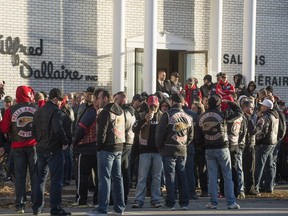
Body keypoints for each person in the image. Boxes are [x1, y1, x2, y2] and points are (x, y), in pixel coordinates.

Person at [32, 88, 71, 216]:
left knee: (40, 180)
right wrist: (65, 142)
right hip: (54, 150)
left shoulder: (39, 111)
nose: (61, 103)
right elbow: (58, 130)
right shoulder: (56, 112)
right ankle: (56, 209)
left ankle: (37, 208)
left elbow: (34, 130)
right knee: (56, 181)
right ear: (55, 99)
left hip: (41, 149)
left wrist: (39, 141)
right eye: (60, 100)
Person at [198, 94, 241, 209]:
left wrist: (203, 145)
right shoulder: (223, 114)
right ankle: (231, 202)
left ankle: (213, 202)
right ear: (218, 104)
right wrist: (231, 103)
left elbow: (198, 136)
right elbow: (239, 112)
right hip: (222, 147)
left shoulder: (202, 116)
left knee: (212, 177)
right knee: (227, 176)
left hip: (209, 149)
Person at [87, 89, 126, 215]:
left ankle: (102, 208)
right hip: (118, 147)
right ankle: (119, 207)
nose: (97, 101)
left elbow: (101, 133)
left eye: (99, 98)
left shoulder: (105, 112)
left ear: (105, 99)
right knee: (117, 178)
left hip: (107, 149)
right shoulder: (120, 111)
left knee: (104, 179)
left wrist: (99, 147)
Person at [1, 86, 38, 214]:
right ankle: (36, 205)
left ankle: (20, 206)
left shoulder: (10, 110)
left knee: (20, 178)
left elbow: (4, 128)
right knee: (35, 176)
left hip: (17, 147)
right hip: (34, 147)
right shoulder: (36, 108)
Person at [156, 93, 193, 210]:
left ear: (172, 101)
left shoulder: (166, 115)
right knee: (182, 176)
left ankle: (170, 202)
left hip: (168, 149)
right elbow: (191, 136)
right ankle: (184, 203)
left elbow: (159, 135)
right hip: (182, 149)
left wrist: (160, 147)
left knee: (170, 176)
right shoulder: (189, 117)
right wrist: (184, 144)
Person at [131, 94, 163, 209]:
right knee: (142, 177)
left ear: (158, 105)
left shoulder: (162, 116)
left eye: (154, 106)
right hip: (144, 151)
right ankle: (139, 199)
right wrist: (145, 119)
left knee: (157, 177)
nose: (153, 108)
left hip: (158, 152)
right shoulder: (142, 115)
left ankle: (155, 199)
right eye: (151, 106)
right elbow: (134, 129)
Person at [72, 86, 98, 207]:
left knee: (83, 175)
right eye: (87, 94)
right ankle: (95, 200)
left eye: (91, 94)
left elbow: (81, 127)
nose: (88, 96)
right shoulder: (83, 107)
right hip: (93, 146)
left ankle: (82, 199)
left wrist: (75, 142)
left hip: (86, 145)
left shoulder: (93, 110)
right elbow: (77, 123)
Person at [114, 91, 137, 205]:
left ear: (122, 100)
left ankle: (121, 197)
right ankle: (123, 197)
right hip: (128, 142)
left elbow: (123, 126)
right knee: (124, 169)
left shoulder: (125, 112)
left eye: (116, 99)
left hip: (124, 142)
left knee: (120, 170)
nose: (115, 102)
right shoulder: (130, 110)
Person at [254, 98, 279, 195]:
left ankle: (256, 187)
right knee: (269, 165)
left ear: (266, 107)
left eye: (262, 105)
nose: (261, 107)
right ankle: (269, 186)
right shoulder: (275, 115)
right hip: (273, 142)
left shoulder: (266, 116)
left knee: (259, 165)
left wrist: (257, 138)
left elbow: (263, 130)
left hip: (265, 143)